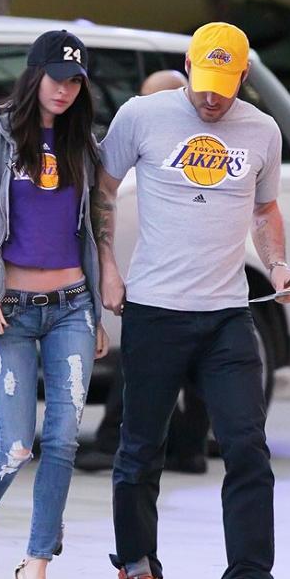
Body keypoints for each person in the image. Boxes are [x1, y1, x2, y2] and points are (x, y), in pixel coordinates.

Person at [92, 22, 290, 579]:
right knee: (139, 451)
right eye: (202, 82)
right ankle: (137, 573)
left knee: (247, 448)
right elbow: (102, 190)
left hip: (227, 316)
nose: (210, 98)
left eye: (224, 85)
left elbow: (264, 209)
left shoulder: (262, 131)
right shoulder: (142, 116)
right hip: (156, 311)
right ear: (188, 65)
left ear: (243, 76)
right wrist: (107, 265)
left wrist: (280, 261)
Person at [0, 30, 108, 579]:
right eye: (56, 78)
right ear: (33, 74)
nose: (64, 90)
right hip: (8, 309)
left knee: (63, 442)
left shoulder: (82, 146)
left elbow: (92, 226)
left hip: (70, 306)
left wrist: (94, 306)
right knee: (15, 444)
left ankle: (34, 572)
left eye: (74, 81)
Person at [76, 68, 211, 475]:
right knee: (192, 365)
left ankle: (118, 442)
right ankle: (189, 448)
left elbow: (107, 190)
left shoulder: (161, 148)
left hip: (164, 283)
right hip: (182, 281)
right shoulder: (162, 141)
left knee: (138, 363)